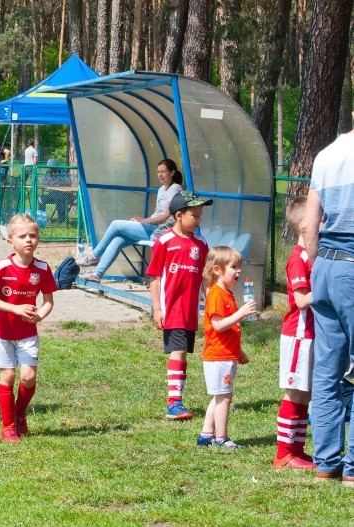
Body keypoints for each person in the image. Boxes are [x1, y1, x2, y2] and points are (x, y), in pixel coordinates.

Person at [303, 125, 354, 485]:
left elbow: (309, 224)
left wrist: (315, 262)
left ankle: (325, 463)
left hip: (325, 266)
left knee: (326, 370)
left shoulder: (327, 154)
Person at [0, 213, 56, 442]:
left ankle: (20, 412)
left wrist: (39, 316)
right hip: (2, 332)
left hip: (27, 333)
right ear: (10, 242)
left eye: (33, 235)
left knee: (28, 377)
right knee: (8, 375)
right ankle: (8, 425)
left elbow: (49, 300)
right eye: (22, 236)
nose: (28, 240)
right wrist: (14, 309)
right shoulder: (2, 267)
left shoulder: (42, 268)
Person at [147, 190, 213, 420]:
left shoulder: (201, 243)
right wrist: (157, 309)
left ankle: (177, 400)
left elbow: (206, 277)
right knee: (179, 351)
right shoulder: (164, 242)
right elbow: (154, 277)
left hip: (190, 310)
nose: (198, 219)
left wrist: (211, 302)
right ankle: (174, 403)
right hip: (171, 308)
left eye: (200, 215)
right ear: (178, 216)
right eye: (194, 215)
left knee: (183, 353)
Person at [79, 159, 183, 282]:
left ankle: (94, 256)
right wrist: (141, 222)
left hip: (161, 230)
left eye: (163, 172)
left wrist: (144, 221)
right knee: (117, 240)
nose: (160, 175)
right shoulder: (161, 189)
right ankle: (97, 274)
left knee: (115, 225)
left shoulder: (176, 188)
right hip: (151, 226)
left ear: (172, 172)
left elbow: (166, 215)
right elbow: (157, 212)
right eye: (158, 172)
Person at [273, 196, 317, 469]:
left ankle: (297, 450)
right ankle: (284, 453)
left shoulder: (313, 256)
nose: (321, 223)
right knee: (295, 392)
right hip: (298, 335)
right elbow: (301, 300)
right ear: (303, 225)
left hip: (311, 334)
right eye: (317, 218)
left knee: (305, 393)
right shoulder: (297, 259)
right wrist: (328, 287)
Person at [196, 246, 255, 449]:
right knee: (225, 398)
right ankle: (222, 438)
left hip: (225, 355)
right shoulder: (216, 295)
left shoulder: (226, 294)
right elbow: (219, 326)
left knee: (220, 395)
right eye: (233, 267)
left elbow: (229, 329)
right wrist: (242, 313)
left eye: (240, 266)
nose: (239, 271)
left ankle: (206, 434)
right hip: (218, 357)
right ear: (217, 270)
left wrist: (238, 352)